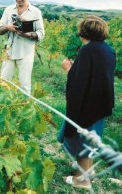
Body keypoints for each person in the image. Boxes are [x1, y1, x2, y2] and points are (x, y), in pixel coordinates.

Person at [58, 15, 116, 189]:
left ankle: (81, 180)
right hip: (101, 103)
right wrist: (78, 68)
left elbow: (79, 83)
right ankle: (87, 170)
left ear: (84, 33)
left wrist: (69, 69)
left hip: (87, 105)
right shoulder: (108, 50)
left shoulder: (87, 50)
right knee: (91, 137)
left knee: (81, 138)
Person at [0, 0, 45, 94]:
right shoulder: (8, 10)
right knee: (3, 81)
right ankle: (1, 106)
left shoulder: (35, 12)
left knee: (25, 85)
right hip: (9, 52)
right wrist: (8, 27)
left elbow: (41, 33)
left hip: (26, 53)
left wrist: (27, 34)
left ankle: (25, 108)